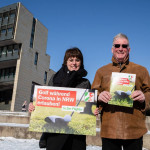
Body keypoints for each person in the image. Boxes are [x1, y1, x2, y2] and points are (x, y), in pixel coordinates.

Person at [92, 33, 150, 150]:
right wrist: (98, 96)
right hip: (109, 130)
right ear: (112, 49)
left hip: (134, 130)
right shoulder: (101, 71)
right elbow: (92, 93)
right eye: (117, 45)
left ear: (129, 49)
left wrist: (144, 97)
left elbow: (149, 91)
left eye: (124, 46)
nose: (120, 48)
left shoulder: (141, 70)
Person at [28, 47, 91, 150]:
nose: (74, 63)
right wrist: (34, 106)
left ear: (81, 62)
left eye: (77, 60)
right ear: (65, 62)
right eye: (71, 60)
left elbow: (88, 106)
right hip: (55, 133)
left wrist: (93, 110)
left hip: (76, 134)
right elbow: (45, 101)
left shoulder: (85, 83)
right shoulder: (55, 78)